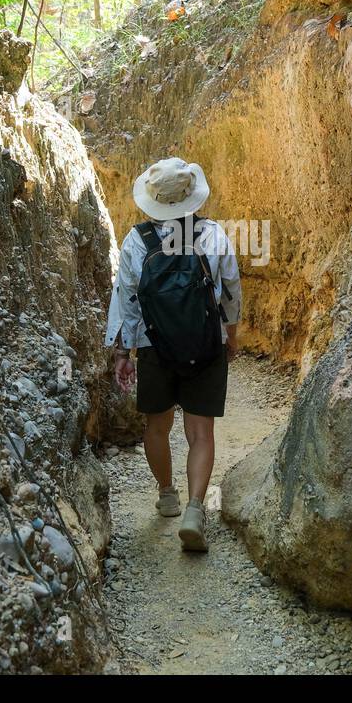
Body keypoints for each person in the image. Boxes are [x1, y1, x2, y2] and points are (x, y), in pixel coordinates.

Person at [105, 157, 242, 552]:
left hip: (153, 345)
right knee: (201, 433)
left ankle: (167, 494)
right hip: (205, 343)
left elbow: (126, 299)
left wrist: (123, 353)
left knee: (157, 426)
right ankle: (196, 508)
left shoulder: (137, 241)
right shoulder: (212, 235)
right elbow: (230, 289)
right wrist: (230, 335)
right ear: (190, 198)